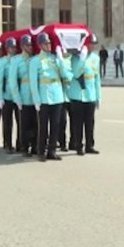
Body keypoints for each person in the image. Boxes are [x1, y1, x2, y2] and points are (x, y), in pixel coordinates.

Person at [29, 33, 72, 161]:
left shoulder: (56, 59)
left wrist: (61, 59)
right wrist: (36, 100)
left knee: (56, 125)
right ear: (41, 45)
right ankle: (41, 151)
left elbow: (66, 76)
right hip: (44, 97)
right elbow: (33, 82)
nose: (49, 45)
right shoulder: (35, 61)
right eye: (46, 43)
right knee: (43, 126)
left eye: (49, 43)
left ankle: (52, 151)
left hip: (57, 95)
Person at [68, 34, 101, 156]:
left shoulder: (95, 58)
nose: (92, 46)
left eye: (93, 44)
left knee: (90, 122)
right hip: (78, 95)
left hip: (90, 94)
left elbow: (97, 78)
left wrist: (98, 96)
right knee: (78, 122)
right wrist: (82, 58)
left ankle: (89, 145)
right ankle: (78, 145)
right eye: (90, 43)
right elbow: (76, 73)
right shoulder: (75, 58)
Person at [9, 35, 37, 157]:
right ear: (22, 46)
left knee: (36, 123)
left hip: (35, 95)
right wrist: (17, 98)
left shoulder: (35, 59)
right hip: (24, 95)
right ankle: (24, 146)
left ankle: (35, 146)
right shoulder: (16, 60)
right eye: (27, 45)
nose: (30, 47)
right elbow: (13, 81)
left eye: (31, 45)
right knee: (24, 124)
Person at [0, 38, 20, 153]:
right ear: (7, 48)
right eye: (11, 47)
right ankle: (8, 144)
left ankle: (20, 144)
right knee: (7, 122)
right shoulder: (3, 62)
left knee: (19, 121)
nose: (13, 49)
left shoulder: (19, 59)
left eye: (15, 47)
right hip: (7, 96)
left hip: (18, 96)